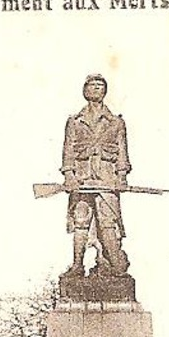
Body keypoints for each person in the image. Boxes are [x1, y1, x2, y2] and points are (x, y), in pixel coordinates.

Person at [61, 74, 131, 277]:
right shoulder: (75, 122)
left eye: (100, 86)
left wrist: (121, 176)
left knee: (108, 220)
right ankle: (77, 265)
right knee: (81, 220)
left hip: (107, 179)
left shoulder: (116, 122)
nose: (96, 89)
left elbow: (122, 151)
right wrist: (69, 176)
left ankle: (111, 263)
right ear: (85, 90)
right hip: (81, 179)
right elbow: (68, 150)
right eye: (92, 86)